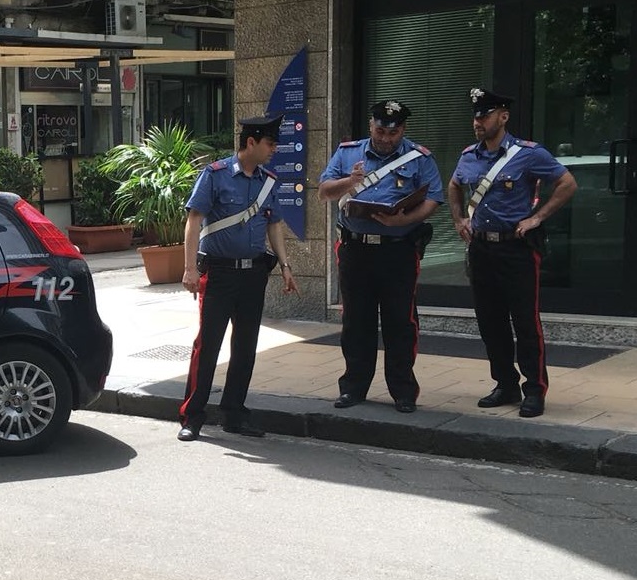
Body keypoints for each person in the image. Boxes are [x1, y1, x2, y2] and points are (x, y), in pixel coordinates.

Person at [448, 88, 577, 418]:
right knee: (490, 322)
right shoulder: (469, 155)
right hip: (481, 249)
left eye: (485, 115)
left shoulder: (528, 154)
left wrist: (537, 217)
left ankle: (534, 389)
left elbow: (567, 183)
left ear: (503, 117)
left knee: (525, 322)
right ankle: (504, 384)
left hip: (516, 249)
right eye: (475, 116)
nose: (478, 122)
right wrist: (459, 218)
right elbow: (454, 185)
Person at [178, 113, 299, 442]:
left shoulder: (268, 181)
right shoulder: (215, 175)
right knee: (208, 346)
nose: (275, 149)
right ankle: (192, 416)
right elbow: (194, 220)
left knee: (245, 347)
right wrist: (189, 268)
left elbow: (274, 224)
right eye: (270, 143)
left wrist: (285, 266)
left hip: (253, 275)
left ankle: (234, 413)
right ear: (251, 142)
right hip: (218, 274)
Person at [317, 100, 444, 414]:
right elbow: (324, 191)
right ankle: (353, 388)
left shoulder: (419, 157)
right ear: (371, 126)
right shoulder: (348, 153)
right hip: (355, 248)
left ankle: (403, 391)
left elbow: (433, 199)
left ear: (402, 129)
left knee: (400, 322)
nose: (386, 138)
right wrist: (350, 182)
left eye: (393, 131)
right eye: (380, 130)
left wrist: (403, 220)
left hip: (397, 250)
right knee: (356, 321)